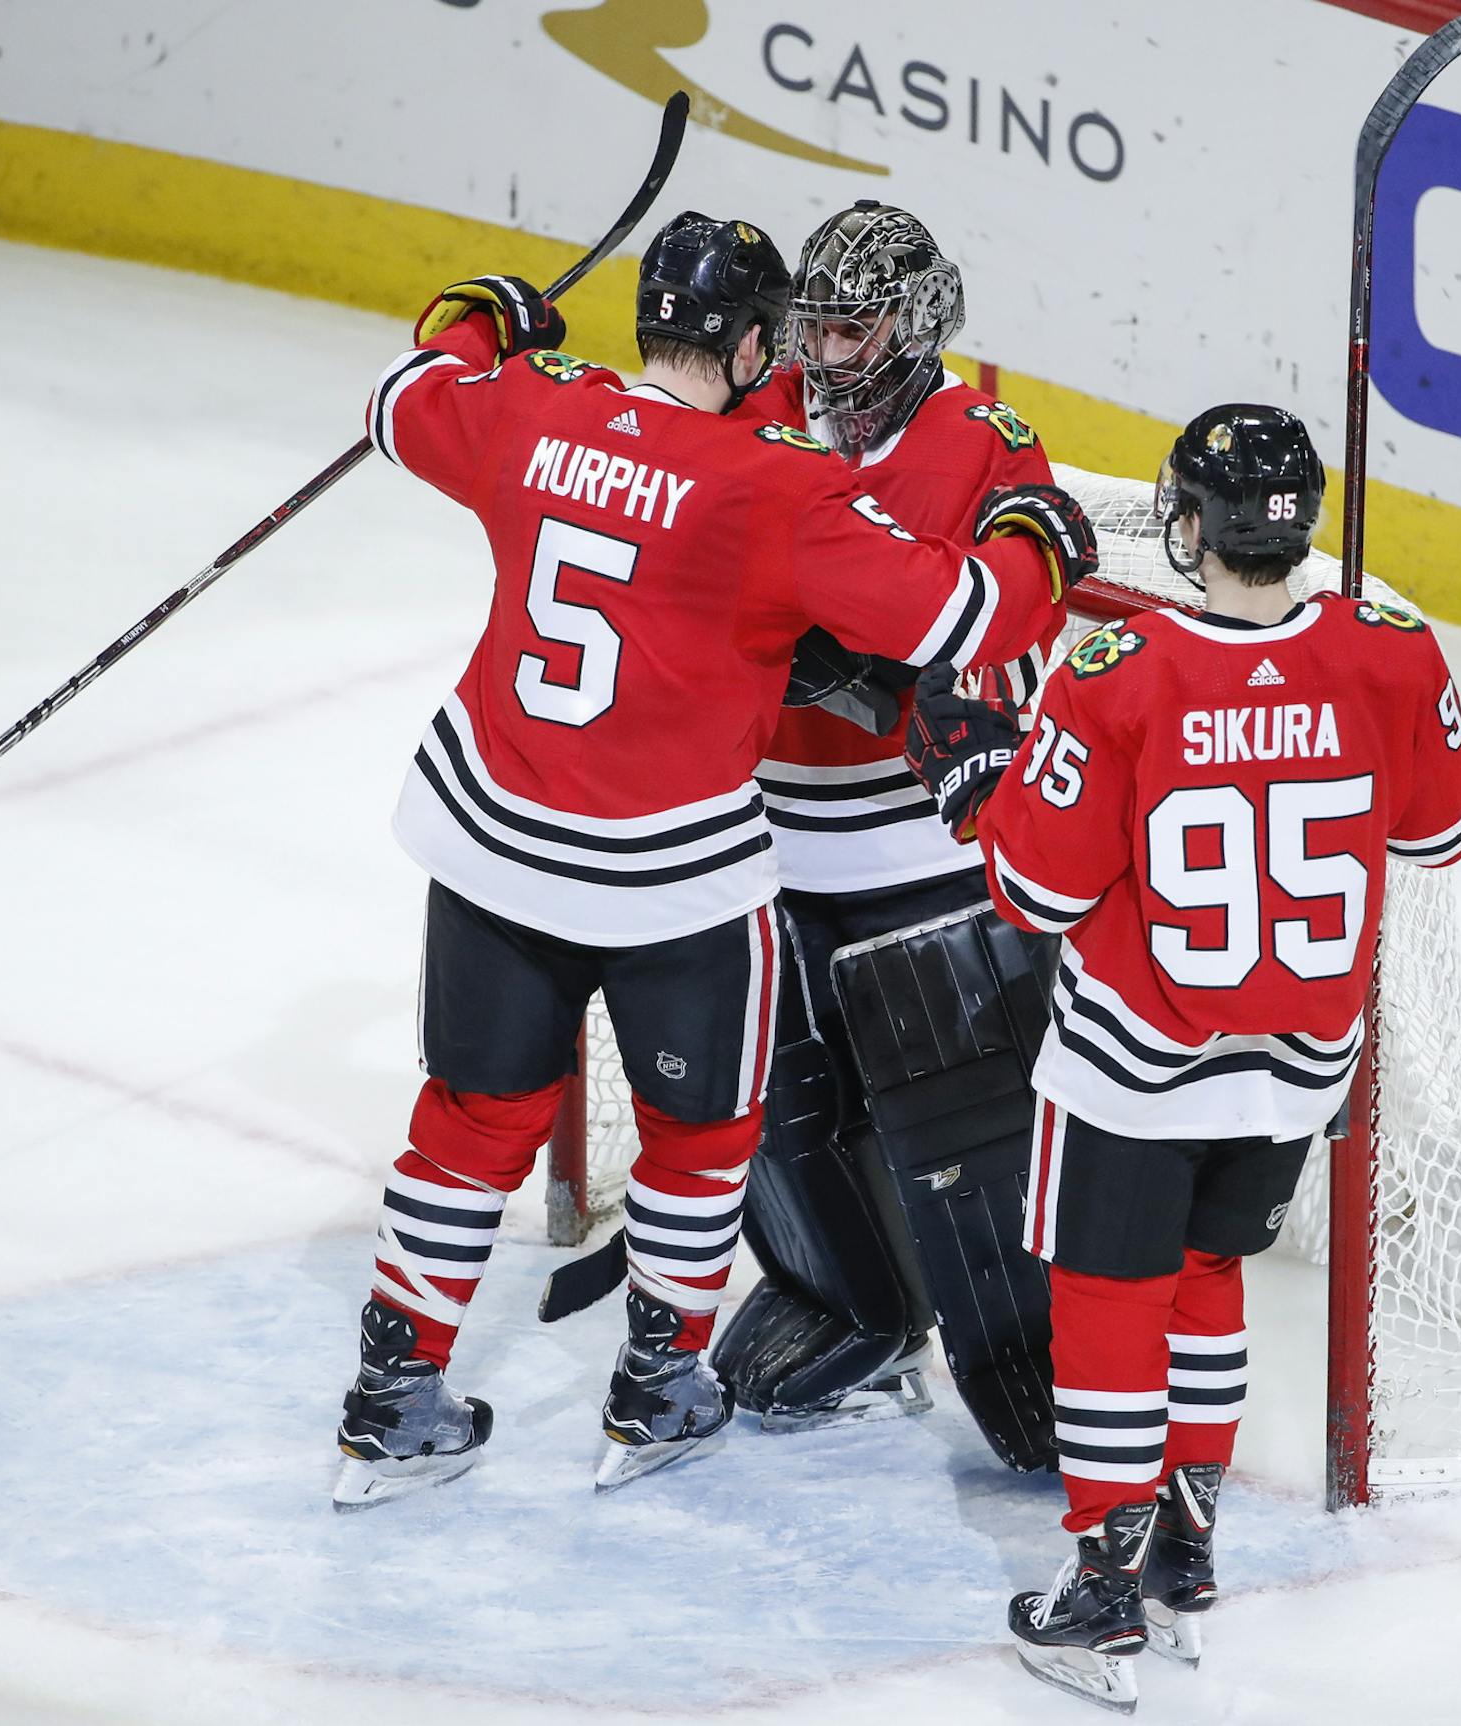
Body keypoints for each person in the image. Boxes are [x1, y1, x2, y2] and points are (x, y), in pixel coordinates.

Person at [329, 212, 1092, 1509]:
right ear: (752, 343)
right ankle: (660, 1384)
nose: (819, 354)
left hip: (492, 833)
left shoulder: (540, 405)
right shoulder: (772, 479)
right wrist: (1042, 550)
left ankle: (391, 1393)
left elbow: (403, 400)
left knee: (468, 1120)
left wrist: (479, 320)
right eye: (800, 330)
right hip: (672, 864)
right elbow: (963, 609)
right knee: (705, 1132)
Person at [902, 405, 1461, 1710]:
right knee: (1208, 1274)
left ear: (1192, 524)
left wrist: (982, 779)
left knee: (1111, 1298)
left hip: (1139, 1061)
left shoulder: (1119, 668)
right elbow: (1447, 829)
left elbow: (1038, 892)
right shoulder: (1390, 647)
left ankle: (1102, 1589)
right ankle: (1183, 1556)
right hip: (1298, 1066)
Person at [706, 200, 1069, 1454]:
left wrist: (875, 672)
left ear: (915, 325)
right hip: (764, 842)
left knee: (963, 1140)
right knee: (763, 1105)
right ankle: (853, 1305)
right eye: (811, 327)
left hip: (922, 857)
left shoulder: (982, 440)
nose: (824, 354)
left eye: (851, 329)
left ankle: (1044, 1374)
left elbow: (1020, 608)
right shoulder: (760, 409)